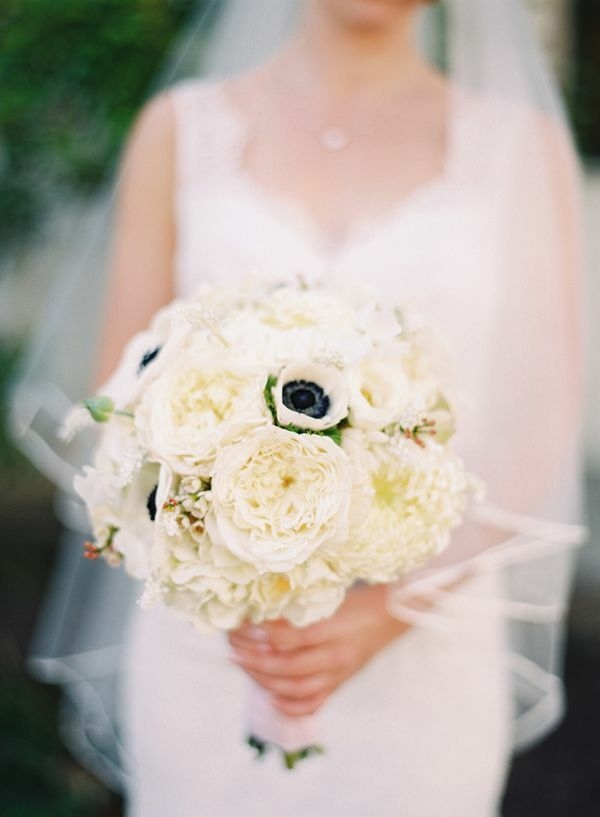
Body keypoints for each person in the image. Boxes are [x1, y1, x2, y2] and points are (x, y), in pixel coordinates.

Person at [16, 0, 585, 814]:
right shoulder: (180, 131)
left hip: (426, 643)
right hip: (213, 647)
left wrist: (387, 610)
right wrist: (231, 581)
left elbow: (537, 420)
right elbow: (125, 394)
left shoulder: (520, 146)